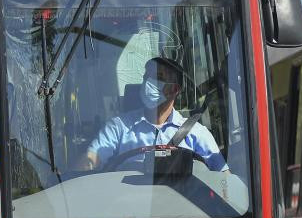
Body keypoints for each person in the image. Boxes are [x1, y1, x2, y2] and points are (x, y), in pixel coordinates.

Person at [79, 57, 227, 172]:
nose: (148, 82)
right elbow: (91, 159)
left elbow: (223, 179)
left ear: (175, 89)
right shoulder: (118, 127)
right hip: (127, 209)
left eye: (158, 77)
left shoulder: (196, 133)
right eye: (146, 76)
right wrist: (84, 166)